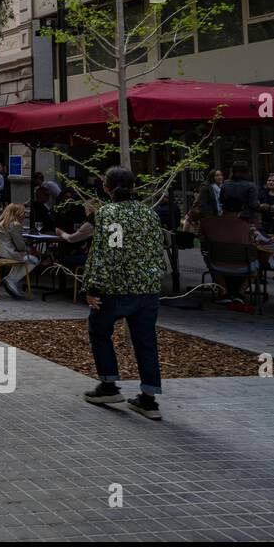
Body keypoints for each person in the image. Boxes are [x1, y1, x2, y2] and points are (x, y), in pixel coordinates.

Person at [81, 166, 166, 421]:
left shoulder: (108, 214)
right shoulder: (150, 215)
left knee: (99, 329)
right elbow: (155, 248)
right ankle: (149, 398)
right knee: (146, 341)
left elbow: (107, 252)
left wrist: (93, 286)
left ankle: (108, 385)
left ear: (106, 189)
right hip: (147, 288)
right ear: (134, 188)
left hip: (116, 288)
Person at [200, 194, 259, 302]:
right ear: (241, 210)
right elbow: (253, 247)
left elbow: (202, 241)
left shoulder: (206, 222)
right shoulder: (247, 227)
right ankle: (240, 293)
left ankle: (223, 292)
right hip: (244, 267)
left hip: (216, 264)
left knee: (212, 259)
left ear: (222, 207)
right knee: (255, 269)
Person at [0, 203, 38, 299]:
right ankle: (12, 280)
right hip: (6, 255)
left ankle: (10, 280)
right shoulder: (15, 224)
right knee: (33, 259)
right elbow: (20, 246)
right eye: (23, 213)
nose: (25, 216)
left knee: (23, 257)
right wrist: (29, 248)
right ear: (17, 214)